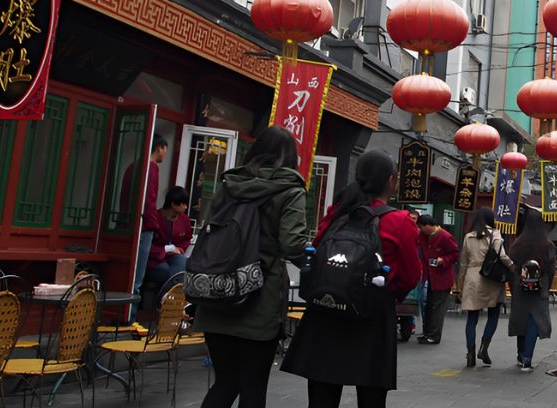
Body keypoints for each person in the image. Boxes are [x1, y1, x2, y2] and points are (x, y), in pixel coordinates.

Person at [282, 150, 421, 408]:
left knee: (322, 398)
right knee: (371, 399)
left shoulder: (338, 210)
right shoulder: (399, 220)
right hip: (371, 317)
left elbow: (315, 248)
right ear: (391, 181)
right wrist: (387, 292)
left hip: (325, 310)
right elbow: (412, 274)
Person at [195, 127, 309, 408]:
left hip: (217, 292)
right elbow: (292, 244)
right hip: (260, 298)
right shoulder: (290, 190)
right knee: (253, 386)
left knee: (226, 380)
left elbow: (210, 228)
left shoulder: (230, 184)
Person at [457, 208, 514, 368]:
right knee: (493, 314)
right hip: (491, 278)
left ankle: (470, 354)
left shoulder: (468, 237)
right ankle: (484, 347)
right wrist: (512, 267)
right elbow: (501, 255)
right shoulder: (495, 234)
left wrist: (460, 285)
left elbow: (463, 263)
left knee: (472, 318)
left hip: (472, 277)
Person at [123, 134, 166, 322]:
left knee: (128, 275)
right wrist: (153, 225)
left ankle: (123, 315)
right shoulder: (151, 168)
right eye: (165, 148)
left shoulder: (133, 166)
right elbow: (150, 200)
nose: (165, 153)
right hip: (143, 226)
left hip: (127, 223)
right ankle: (130, 318)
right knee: (137, 277)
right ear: (159, 148)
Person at [508, 208, 556, 372]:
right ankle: (527, 359)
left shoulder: (517, 244)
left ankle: (520, 355)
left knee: (521, 318)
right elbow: (551, 269)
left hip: (519, 286)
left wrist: (513, 286)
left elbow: (511, 267)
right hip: (539, 287)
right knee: (535, 320)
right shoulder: (547, 245)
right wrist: (546, 287)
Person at [417, 214, 459, 344]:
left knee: (437, 307)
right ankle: (426, 332)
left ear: (428, 226)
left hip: (442, 277)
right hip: (428, 276)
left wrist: (443, 260)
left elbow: (455, 254)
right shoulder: (422, 236)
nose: (419, 230)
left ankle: (434, 335)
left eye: (421, 227)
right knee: (428, 305)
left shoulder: (445, 236)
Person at [146, 186, 192, 287]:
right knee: (163, 271)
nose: (186, 207)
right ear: (174, 204)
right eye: (183, 203)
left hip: (173, 256)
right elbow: (147, 244)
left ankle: (171, 296)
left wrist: (179, 249)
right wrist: (166, 249)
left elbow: (187, 238)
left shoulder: (185, 220)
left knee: (181, 262)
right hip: (155, 259)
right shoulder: (155, 218)